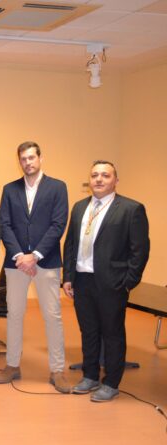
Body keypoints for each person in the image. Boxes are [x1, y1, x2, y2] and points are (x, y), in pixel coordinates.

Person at [63, 161, 149, 402]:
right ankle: (90, 375)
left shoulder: (131, 209)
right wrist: (68, 277)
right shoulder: (80, 207)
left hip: (112, 282)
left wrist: (128, 281)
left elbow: (140, 250)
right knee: (88, 330)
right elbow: (70, 244)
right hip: (82, 280)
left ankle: (111, 382)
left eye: (105, 175)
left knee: (112, 333)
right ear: (89, 180)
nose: (99, 179)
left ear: (115, 181)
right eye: (94, 175)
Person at [0, 141, 70, 393]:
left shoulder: (57, 187)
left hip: (46, 261)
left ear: (40, 158)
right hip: (16, 262)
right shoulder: (10, 189)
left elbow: (58, 225)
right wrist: (19, 255)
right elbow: (4, 225)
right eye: (23, 159)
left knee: (52, 315)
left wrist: (35, 255)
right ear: (19, 162)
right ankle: (12, 364)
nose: (27, 162)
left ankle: (57, 370)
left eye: (31, 157)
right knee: (14, 313)